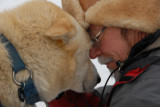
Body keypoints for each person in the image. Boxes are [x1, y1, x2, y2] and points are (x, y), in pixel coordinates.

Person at [49, 0, 160, 107]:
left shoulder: (139, 98)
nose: (92, 55)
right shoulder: (144, 81)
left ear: (134, 22)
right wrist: (58, 92)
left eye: (94, 39)